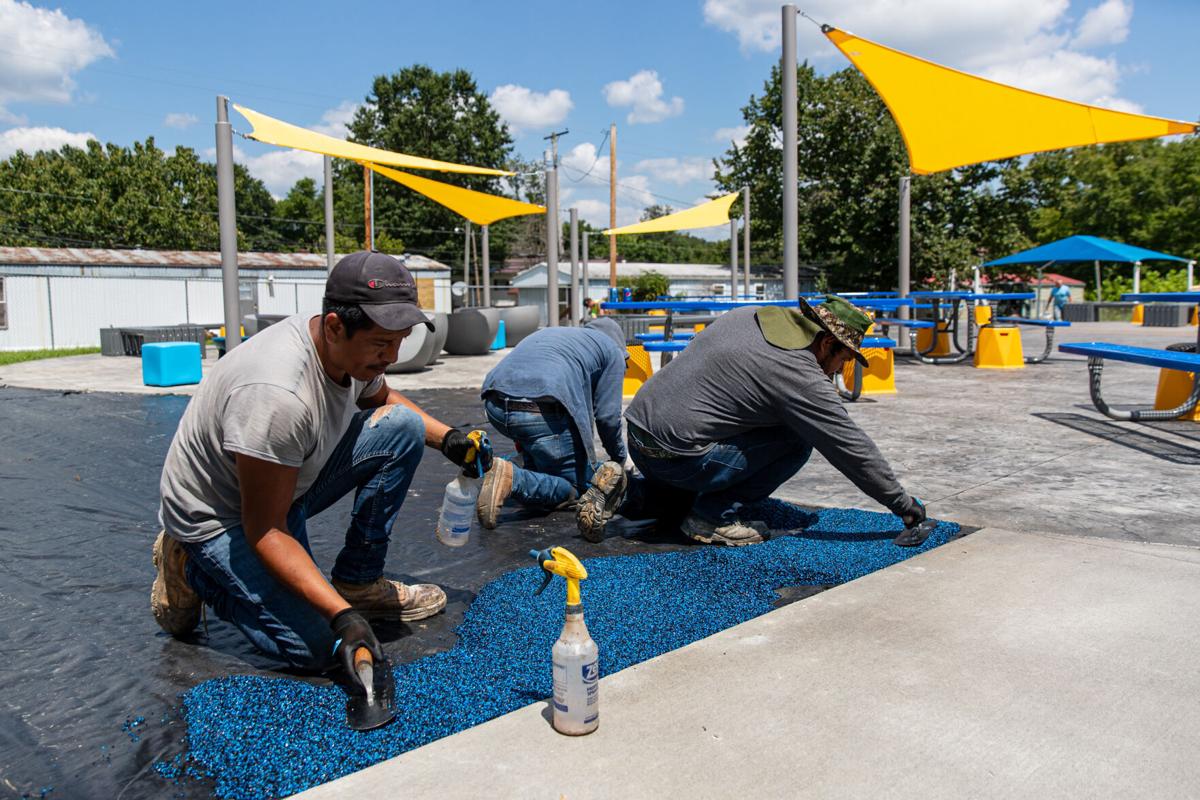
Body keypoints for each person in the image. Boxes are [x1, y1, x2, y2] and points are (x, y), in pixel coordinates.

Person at [151, 251, 488, 681]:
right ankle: (189, 565)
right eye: (382, 344)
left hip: (285, 478)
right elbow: (266, 530)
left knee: (403, 426)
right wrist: (342, 617)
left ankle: (358, 583)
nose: (391, 355)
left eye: (400, 340)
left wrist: (451, 440)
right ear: (334, 327)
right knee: (318, 645)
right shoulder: (278, 395)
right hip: (223, 516)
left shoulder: (350, 347)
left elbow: (381, 398)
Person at [576, 295, 926, 546]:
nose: (839, 370)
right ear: (826, 343)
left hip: (640, 435)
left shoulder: (751, 315)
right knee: (798, 439)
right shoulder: (799, 373)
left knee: (682, 498)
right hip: (681, 456)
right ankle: (713, 517)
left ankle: (626, 492)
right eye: (844, 359)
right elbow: (848, 445)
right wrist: (903, 505)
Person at [475, 317, 629, 529]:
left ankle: (494, 468)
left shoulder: (565, 337)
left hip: (495, 405)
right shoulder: (612, 351)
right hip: (538, 411)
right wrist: (618, 459)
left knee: (541, 458)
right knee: (579, 488)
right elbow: (607, 417)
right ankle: (512, 479)